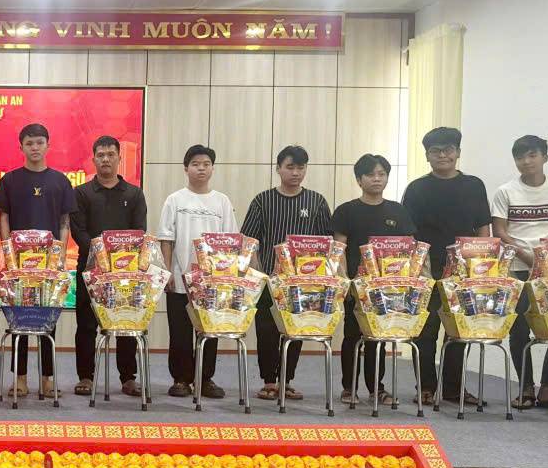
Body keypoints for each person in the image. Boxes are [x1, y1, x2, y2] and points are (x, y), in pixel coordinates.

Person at [403, 127, 492, 406]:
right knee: (426, 329)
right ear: (427, 156)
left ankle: (453, 388)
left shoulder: (474, 185)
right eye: (435, 151)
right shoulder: (416, 188)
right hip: (427, 269)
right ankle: (426, 387)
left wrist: (483, 265)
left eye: (448, 150)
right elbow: (408, 234)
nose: (442, 155)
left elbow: (483, 227)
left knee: (459, 330)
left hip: (465, 270)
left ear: (458, 152)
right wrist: (416, 271)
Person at [492, 134, 548, 409]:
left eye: (532, 155)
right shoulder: (505, 191)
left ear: (545, 157)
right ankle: (526, 389)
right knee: (518, 330)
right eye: (520, 157)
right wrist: (528, 256)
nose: (526, 161)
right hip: (516, 268)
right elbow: (500, 232)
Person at [240, 145, 333, 402]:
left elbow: (326, 242)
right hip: (269, 280)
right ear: (278, 168)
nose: (295, 173)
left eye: (300, 168)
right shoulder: (262, 200)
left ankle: (286, 381)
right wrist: (259, 273)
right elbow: (250, 240)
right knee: (267, 330)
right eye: (290, 167)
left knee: (295, 331)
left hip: (302, 282)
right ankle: (269, 381)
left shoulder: (316, 201)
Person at [0, 123, 75, 398]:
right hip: (19, 263)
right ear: (21, 147)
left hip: (49, 265)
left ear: (48, 145)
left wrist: (60, 256)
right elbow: (4, 218)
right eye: (29, 143)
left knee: (48, 320)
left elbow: (64, 222)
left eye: (39, 142)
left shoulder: (60, 181)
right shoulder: (10, 180)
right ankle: (20, 379)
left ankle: (48, 379)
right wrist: (8, 255)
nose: (35, 147)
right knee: (19, 320)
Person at [332, 154, 416, 405]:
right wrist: (346, 281)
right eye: (370, 174)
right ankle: (349, 388)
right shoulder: (346, 210)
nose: (377, 179)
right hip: (356, 287)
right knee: (352, 336)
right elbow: (339, 249)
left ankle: (376, 388)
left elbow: (408, 248)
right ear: (359, 180)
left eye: (382, 174)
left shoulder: (398, 211)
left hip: (387, 289)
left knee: (378, 338)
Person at [157, 144, 238, 398]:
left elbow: (230, 241)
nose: (201, 168)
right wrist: (167, 272)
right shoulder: (175, 200)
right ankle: (181, 379)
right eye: (195, 164)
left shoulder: (222, 201)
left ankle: (205, 378)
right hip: (180, 277)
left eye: (206, 164)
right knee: (179, 331)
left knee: (209, 331)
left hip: (211, 281)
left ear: (212, 169)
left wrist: (225, 277)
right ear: (186, 169)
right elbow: (166, 239)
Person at [69, 135, 147, 397]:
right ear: (93, 159)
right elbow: (78, 231)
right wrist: (101, 256)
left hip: (125, 271)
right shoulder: (81, 193)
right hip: (90, 269)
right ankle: (85, 376)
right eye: (100, 155)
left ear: (119, 158)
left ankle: (128, 378)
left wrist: (118, 259)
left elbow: (139, 231)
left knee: (125, 323)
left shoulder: (134, 194)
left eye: (110, 154)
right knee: (86, 325)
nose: (105, 159)